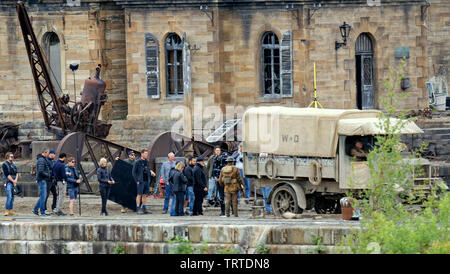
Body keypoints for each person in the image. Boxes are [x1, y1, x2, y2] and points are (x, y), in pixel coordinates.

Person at [132, 149, 155, 214]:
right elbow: (133, 172)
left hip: (146, 181)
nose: (146, 155)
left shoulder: (147, 162)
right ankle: (138, 209)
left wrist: (151, 172)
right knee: (139, 195)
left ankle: (144, 209)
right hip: (140, 181)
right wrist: (137, 180)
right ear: (142, 154)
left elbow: (147, 169)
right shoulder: (137, 162)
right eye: (145, 154)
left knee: (144, 195)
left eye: (147, 154)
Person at [33, 148, 52, 217]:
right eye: (48, 153)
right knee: (43, 196)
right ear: (45, 152)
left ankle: (35, 210)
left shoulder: (42, 159)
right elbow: (40, 171)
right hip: (42, 180)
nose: (48, 154)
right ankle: (42, 212)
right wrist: (48, 175)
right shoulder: (41, 160)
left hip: (42, 179)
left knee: (42, 196)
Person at [2, 152, 19, 216]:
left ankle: (11, 210)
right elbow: (7, 175)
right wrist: (13, 181)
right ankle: (7, 210)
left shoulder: (13, 164)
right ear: (7, 157)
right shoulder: (4, 165)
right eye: (11, 157)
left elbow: (17, 172)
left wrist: (16, 181)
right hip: (8, 182)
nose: (12, 158)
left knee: (12, 197)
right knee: (9, 196)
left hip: (14, 182)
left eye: (13, 157)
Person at [44, 149, 57, 214]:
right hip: (48, 180)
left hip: (53, 181)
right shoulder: (46, 160)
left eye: (54, 154)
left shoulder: (54, 161)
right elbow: (48, 169)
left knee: (55, 194)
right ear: (50, 154)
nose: (54, 155)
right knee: (46, 195)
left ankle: (54, 207)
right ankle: (44, 208)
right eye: (53, 154)